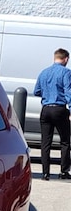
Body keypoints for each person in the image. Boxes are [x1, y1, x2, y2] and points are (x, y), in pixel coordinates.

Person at [33, 48, 71, 180]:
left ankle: (45, 173)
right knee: (65, 141)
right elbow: (68, 92)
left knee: (45, 142)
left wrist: (48, 94)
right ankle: (64, 171)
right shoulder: (66, 72)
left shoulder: (44, 72)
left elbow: (36, 91)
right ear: (66, 59)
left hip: (46, 109)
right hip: (59, 109)